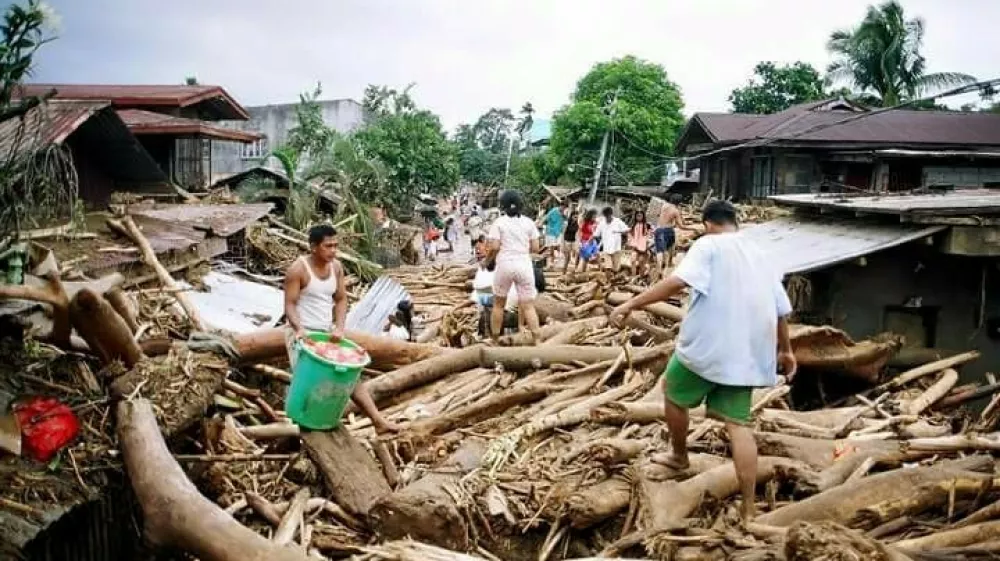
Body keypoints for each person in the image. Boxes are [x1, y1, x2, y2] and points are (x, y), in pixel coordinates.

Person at [609, 200, 796, 521]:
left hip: (707, 347)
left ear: (708, 223)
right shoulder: (762, 254)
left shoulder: (708, 245)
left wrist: (633, 303)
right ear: (734, 221)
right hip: (748, 354)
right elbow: (781, 309)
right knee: (739, 426)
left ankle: (679, 456)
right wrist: (787, 349)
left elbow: (678, 281)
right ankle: (750, 508)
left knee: (670, 390)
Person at [283, 224, 401, 433]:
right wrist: (299, 329)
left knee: (348, 375)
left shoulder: (336, 267)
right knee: (309, 379)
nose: (333, 251)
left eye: (335, 246)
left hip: (326, 332)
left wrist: (339, 327)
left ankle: (377, 421)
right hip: (303, 335)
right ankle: (307, 424)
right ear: (313, 247)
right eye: (328, 246)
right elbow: (290, 304)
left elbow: (340, 299)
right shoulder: (298, 270)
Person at [486, 190, 542, 343]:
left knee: (498, 304)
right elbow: (536, 248)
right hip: (524, 265)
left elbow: (495, 246)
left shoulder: (499, 223)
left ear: (503, 206)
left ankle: (495, 340)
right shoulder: (529, 222)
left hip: (504, 264)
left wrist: (487, 261)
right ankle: (537, 340)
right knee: (528, 306)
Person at [654, 194, 692, 275]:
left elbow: (657, 214)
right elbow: (681, 226)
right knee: (670, 248)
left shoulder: (664, 206)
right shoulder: (675, 211)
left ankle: (659, 268)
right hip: (668, 230)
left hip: (659, 229)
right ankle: (667, 267)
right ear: (679, 202)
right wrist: (692, 228)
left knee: (659, 251)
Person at [594, 206, 629, 272]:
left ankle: (613, 279)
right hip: (606, 249)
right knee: (608, 267)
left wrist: (619, 232)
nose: (607, 217)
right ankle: (608, 281)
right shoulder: (602, 223)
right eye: (605, 216)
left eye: (608, 215)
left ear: (611, 214)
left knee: (616, 269)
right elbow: (596, 234)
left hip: (616, 249)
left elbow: (627, 230)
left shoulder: (618, 221)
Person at [628, 210, 653, 277]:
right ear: (635, 216)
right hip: (635, 247)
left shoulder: (647, 226)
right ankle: (633, 276)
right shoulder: (633, 225)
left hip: (644, 249)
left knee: (641, 263)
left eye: (640, 216)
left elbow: (650, 236)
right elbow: (630, 235)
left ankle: (641, 276)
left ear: (643, 216)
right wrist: (630, 243)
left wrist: (648, 246)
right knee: (633, 261)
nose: (639, 217)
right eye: (637, 216)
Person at [561, 209, 580, 275]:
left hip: (573, 242)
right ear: (571, 216)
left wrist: (578, 244)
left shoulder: (577, 224)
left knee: (578, 253)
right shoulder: (566, 223)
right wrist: (562, 244)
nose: (576, 218)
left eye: (577, 217)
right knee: (567, 258)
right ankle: (563, 273)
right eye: (575, 217)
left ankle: (575, 269)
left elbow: (577, 235)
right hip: (566, 242)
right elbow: (563, 234)